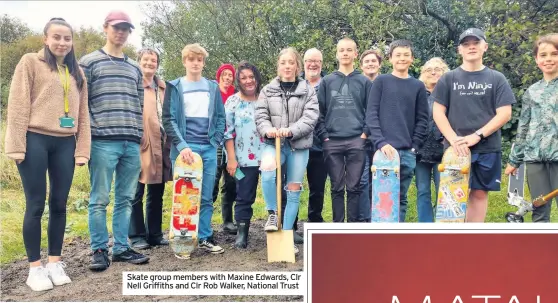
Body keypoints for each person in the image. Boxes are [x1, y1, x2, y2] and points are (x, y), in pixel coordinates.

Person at [4, 17, 90, 292]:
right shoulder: (30, 62)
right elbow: (17, 104)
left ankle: (54, 262)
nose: (62, 42)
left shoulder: (77, 71)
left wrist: (82, 149)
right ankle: (35, 268)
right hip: (35, 139)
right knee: (36, 204)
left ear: (72, 41)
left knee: (60, 204)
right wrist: (16, 145)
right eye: (57, 37)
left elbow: (83, 115)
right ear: (45, 38)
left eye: (67, 38)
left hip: (65, 142)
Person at [80, 10, 149, 270]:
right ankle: (99, 249)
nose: (121, 32)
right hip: (102, 141)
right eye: (116, 27)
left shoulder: (134, 67)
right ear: (105, 28)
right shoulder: (89, 62)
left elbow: (139, 104)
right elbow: (81, 104)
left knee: (125, 198)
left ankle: (121, 247)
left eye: (125, 28)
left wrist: (140, 133)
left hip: (130, 142)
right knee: (99, 199)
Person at [432, 28, 515, 222]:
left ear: (484, 47)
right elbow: (438, 112)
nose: (471, 47)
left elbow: (505, 113)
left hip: (486, 147)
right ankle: (450, 243)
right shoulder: (448, 78)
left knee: (478, 194)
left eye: (475, 43)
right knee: (452, 193)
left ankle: (472, 241)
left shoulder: (497, 78)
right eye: (466, 44)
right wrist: (453, 140)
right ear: (459, 50)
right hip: (455, 150)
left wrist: (477, 135)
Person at [162, 43, 226, 256]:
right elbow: (168, 120)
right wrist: (182, 147)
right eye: (191, 59)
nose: (195, 63)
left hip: (207, 148)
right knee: (184, 199)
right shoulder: (175, 86)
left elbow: (220, 117)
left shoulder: (213, 87)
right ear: (184, 61)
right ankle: (183, 242)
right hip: (184, 152)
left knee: (207, 196)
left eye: (199, 59)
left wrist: (215, 142)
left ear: (203, 63)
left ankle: (206, 237)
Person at [256, 47, 319, 254]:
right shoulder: (267, 90)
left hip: (298, 146)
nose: (287, 66)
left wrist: (290, 131)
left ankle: (286, 236)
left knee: (293, 190)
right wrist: (268, 130)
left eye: (291, 62)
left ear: (297, 66)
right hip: (272, 144)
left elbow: (310, 118)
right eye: (283, 62)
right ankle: (272, 212)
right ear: (278, 66)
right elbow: (261, 116)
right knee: (267, 171)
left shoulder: (307, 90)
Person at [366, 39, 429, 222]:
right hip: (383, 152)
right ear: (390, 58)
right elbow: (371, 115)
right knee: (381, 197)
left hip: (407, 152)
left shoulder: (418, 86)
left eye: (406, 55)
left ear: (412, 59)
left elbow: (422, 119)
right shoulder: (381, 82)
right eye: (398, 55)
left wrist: (414, 147)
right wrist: (380, 142)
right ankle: (379, 238)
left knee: (401, 197)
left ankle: (397, 236)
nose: (402, 58)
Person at [316, 37, 372, 222]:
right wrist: (324, 136)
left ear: (356, 54)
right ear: (337, 54)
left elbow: (372, 111)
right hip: (332, 141)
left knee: (355, 187)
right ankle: (338, 228)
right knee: (337, 188)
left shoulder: (364, 82)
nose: (345, 53)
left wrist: (364, 134)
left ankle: (353, 230)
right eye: (342, 50)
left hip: (357, 139)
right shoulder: (327, 82)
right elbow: (318, 111)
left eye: (349, 50)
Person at [505, 33, 558, 222]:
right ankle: (541, 251)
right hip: (535, 158)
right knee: (539, 208)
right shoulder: (531, 91)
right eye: (543, 55)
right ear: (536, 59)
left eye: (554, 53)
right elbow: (524, 127)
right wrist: (514, 160)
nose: (549, 59)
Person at [128, 48, 172, 250]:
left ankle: (154, 233)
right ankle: (136, 235)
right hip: (139, 143)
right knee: (136, 191)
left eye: (153, 60)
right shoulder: (133, 85)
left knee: (157, 190)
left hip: (161, 144)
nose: (149, 63)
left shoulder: (163, 88)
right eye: (145, 60)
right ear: (139, 62)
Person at [223, 61, 264, 248]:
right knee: (244, 196)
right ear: (239, 81)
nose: (248, 81)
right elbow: (227, 132)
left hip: (268, 156)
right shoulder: (233, 101)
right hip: (242, 159)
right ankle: (242, 234)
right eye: (244, 78)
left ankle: (284, 229)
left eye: (251, 77)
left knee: (278, 193)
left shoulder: (265, 98)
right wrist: (231, 159)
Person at [415, 57, 449, 222]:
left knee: (443, 190)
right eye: (429, 69)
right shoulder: (417, 92)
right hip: (420, 149)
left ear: (444, 72)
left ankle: (442, 225)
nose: (434, 72)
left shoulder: (450, 93)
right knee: (422, 190)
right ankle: (425, 226)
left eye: (438, 69)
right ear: (423, 73)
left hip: (443, 150)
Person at [302, 48, 327, 235]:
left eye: (317, 61)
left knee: (317, 187)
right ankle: (290, 225)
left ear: (322, 63)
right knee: (291, 186)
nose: (313, 64)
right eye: (310, 60)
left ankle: (315, 220)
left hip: (320, 145)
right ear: (303, 63)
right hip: (296, 144)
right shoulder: (294, 83)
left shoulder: (329, 84)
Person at [358, 49, 383, 222]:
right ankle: (364, 219)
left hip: (381, 139)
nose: (370, 64)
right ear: (361, 65)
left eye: (373, 61)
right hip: (360, 139)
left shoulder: (385, 83)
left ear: (379, 64)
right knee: (362, 180)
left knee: (380, 181)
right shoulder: (357, 83)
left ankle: (379, 217)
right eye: (366, 61)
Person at [212, 63, 238, 235]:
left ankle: (228, 221)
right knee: (212, 182)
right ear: (219, 76)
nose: (228, 77)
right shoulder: (213, 92)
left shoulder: (236, 95)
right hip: (214, 144)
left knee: (231, 183)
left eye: (230, 75)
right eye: (225, 74)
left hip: (231, 144)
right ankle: (204, 223)